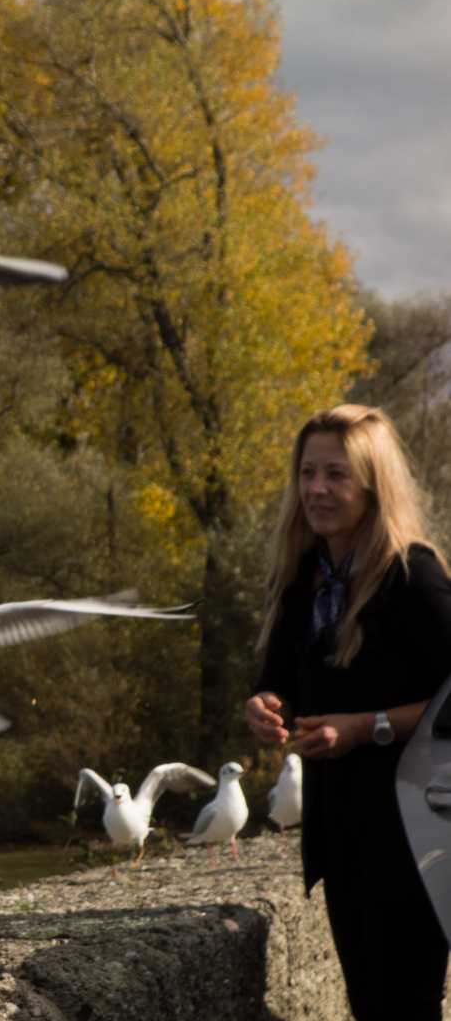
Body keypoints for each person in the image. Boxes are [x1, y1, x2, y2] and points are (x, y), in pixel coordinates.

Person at [245, 404, 451, 1020]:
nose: (315, 488)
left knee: (401, 1008)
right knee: (372, 1009)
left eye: (336, 474)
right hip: (342, 832)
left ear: (372, 484)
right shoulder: (302, 578)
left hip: (416, 831)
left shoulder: (412, 575)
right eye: (307, 472)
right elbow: (279, 681)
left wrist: (367, 727)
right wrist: (265, 706)